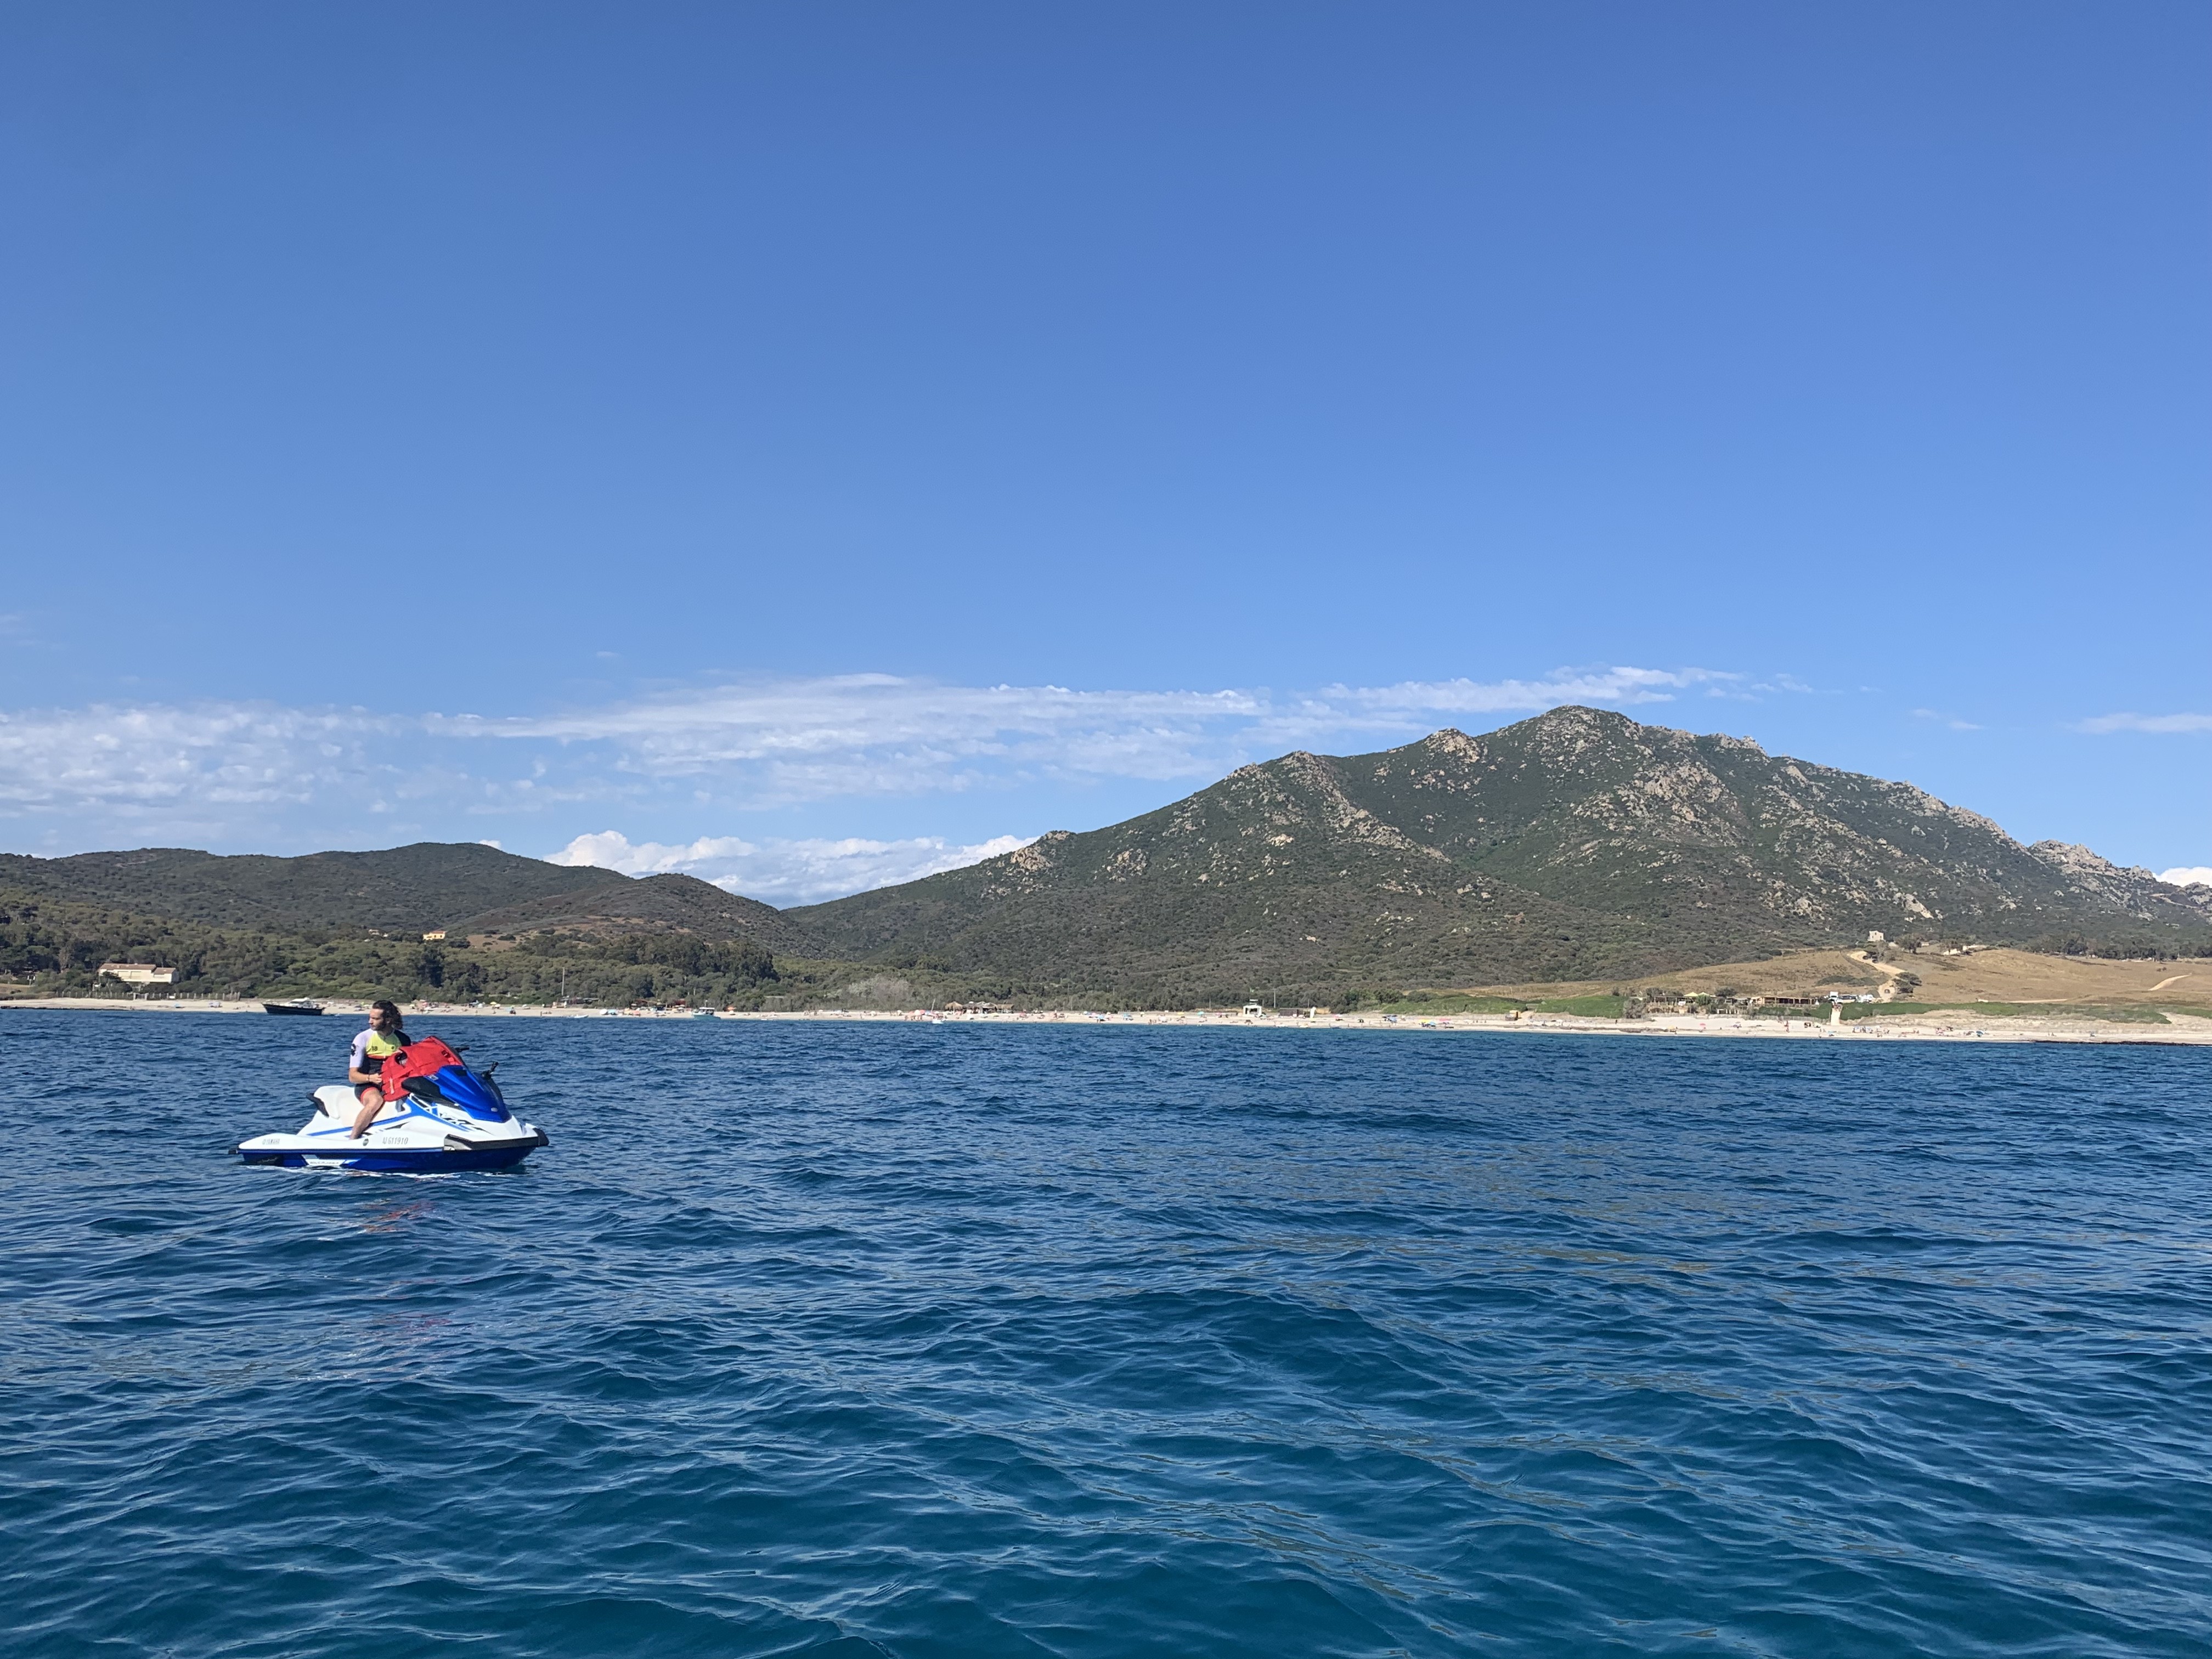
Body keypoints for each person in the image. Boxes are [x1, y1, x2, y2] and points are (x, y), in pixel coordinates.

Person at [347, 1000, 411, 1139]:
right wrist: (371, 1078)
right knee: (376, 1101)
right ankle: (353, 1139)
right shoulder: (362, 1038)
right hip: (368, 1085)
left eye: (375, 1019)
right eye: (370, 1018)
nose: (370, 1022)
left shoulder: (403, 1039)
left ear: (388, 1020)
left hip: (394, 1086)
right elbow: (353, 1076)